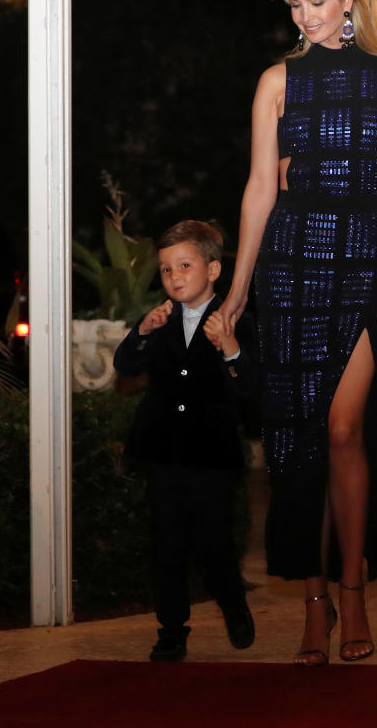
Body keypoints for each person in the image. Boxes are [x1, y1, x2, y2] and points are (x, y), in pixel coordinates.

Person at [218, 0, 377, 665]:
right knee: (297, 443)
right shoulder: (276, 81)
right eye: (295, 5)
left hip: (365, 264)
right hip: (292, 266)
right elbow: (258, 190)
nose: (304, 16)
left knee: (342, 430)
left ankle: (355, 589)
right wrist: (238, 289)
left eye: (315, 2)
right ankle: (315, 604)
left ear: (346, 2)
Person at [113, 220, 257, 662]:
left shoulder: (236, 319)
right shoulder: (160, 319)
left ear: (213, 270)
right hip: (163, 450)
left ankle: (233, 606)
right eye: (166, 270)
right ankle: (171, 630)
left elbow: (250, 388)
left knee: (213, 541)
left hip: (212, 453)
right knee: (167, 543)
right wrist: (141, 332)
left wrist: (230, 348)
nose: (175, 277)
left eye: (185, 266)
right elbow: (124, 365)